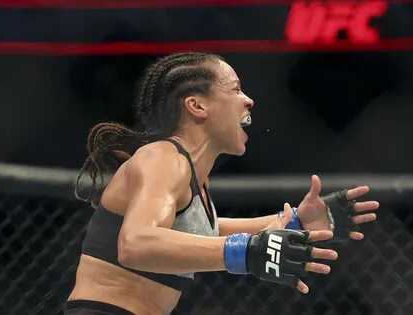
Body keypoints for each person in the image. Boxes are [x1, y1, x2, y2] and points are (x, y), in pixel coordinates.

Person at [65, 52, 379, 315]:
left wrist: (297, 221)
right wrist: (243, 252)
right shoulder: (162, 159)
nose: (249, 100)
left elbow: (204, 233)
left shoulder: (191, 179)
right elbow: (136, 244)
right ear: (197, 106)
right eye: (234, 89)